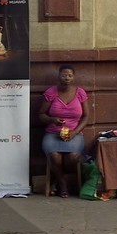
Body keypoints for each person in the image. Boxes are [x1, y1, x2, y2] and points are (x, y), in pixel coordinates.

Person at [38, 64, 91, 197]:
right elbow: (41, 114)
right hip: (53, 133)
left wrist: (75, 132)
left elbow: (86, 116)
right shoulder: (51, 92)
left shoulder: (80, 93)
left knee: (72, 158)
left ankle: (56, 180)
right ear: (59, 76)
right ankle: (62, 185)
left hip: (74, 133)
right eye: (63, 75)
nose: (66, 78)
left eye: (69, 75)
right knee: (54, 156)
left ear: (73, 77)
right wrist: (52, 120)